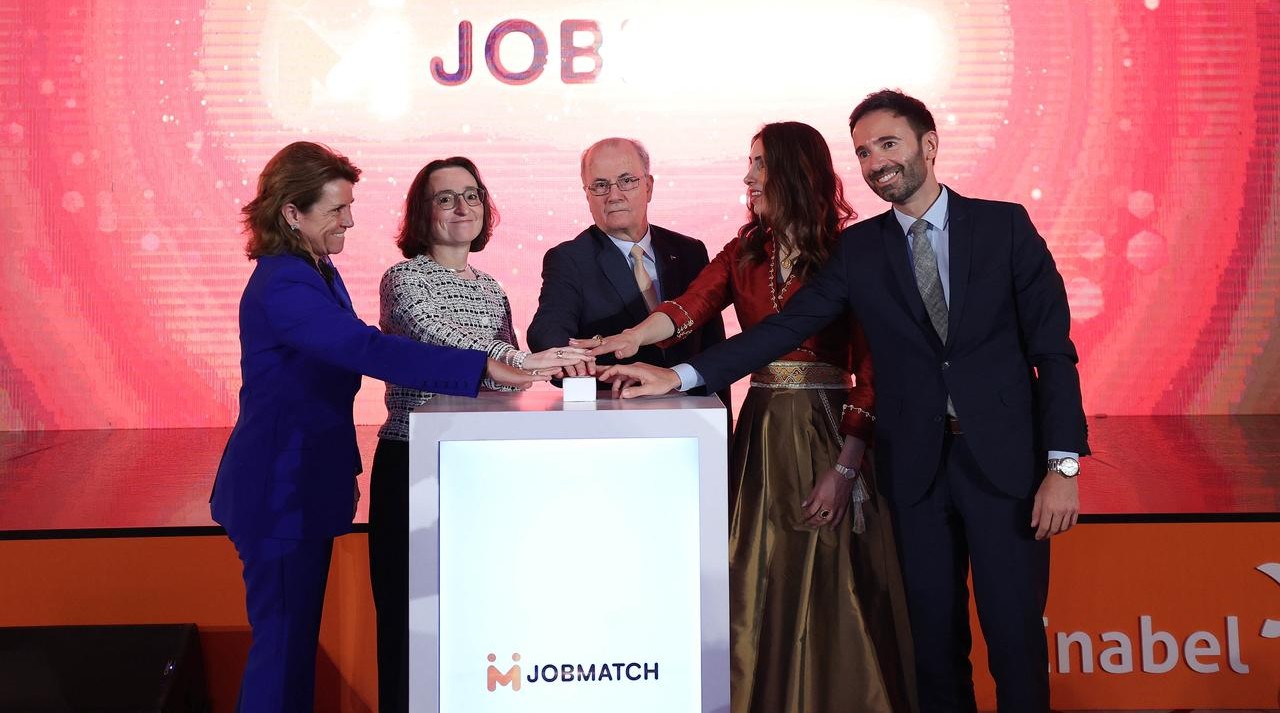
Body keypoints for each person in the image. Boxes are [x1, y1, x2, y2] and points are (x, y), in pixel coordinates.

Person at [601, 91, 1088, 712]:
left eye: (888, 144)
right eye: (863, 152)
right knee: (934, 651)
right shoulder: (859, 249)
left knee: (1016, 645)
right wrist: (681, 376)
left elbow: (1054, 352)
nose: (876, 162)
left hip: (1006, 470)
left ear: (928, 145)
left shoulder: (1004, 226)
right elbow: (783, 328)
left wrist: (1062, 467)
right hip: (912, 474)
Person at [210, 142, 550, 712]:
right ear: (292, 213)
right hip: (278, 491)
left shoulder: (315, 270)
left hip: (301, 487)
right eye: (336, 209)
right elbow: (366, 348)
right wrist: (483, 367)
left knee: (291, 653)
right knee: (283, 655)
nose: (349, 220)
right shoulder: (286, 282)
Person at [590, 122, 915, 712]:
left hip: (830, 430)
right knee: (756, 578)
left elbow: (872, 369)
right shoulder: (745, 249)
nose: (748, 177)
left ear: (794, 171)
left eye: (760, 164)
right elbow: (689, 307)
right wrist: (630, 338)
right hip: (761, 431)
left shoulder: (851, 251)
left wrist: (846, 465)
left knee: (830, 575)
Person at [368, 157, 591, 713]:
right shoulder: (404, 278)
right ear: (422, 212)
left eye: (471, 195)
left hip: (479, 471)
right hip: (413, 461)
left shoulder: (491, 288)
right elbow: (442, 338)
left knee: (476, 620)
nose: (461, 207)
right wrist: (522, 361)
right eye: (445, 198)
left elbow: (506, 379)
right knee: (410, 622)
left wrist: (556, 367)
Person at [526, 137, 726, 389]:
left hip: (693, 407)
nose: (614, 196)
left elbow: (713, 345)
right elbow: (547, 328)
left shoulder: (690, 251)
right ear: (587, 195)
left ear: (648, 187)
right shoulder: (570, 259)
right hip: (617, 404)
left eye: (627, 180)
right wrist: (565, 358)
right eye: (600, 185)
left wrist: (722, 410)